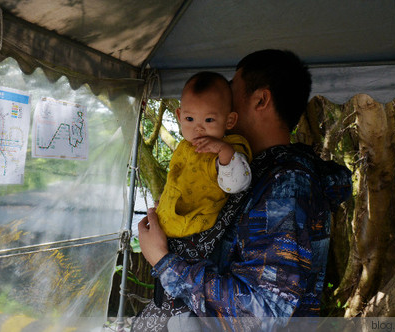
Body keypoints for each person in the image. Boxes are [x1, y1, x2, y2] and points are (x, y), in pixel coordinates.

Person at [134, 49, 352, 331]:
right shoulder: (252, 170)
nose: (218, 98)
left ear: (260, 99)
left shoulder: (286, 187)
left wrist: (165, 263)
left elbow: (262, 312)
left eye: (230, 90)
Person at [156, 71, 252, 243]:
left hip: (195, 236)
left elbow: (237, 184)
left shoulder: (229, 148)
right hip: (167, 225)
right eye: (190, 118)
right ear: (179, 116)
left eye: (209, 120)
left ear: (229, 121)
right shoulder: (184, 147)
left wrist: (223, 151)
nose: (198, 128)